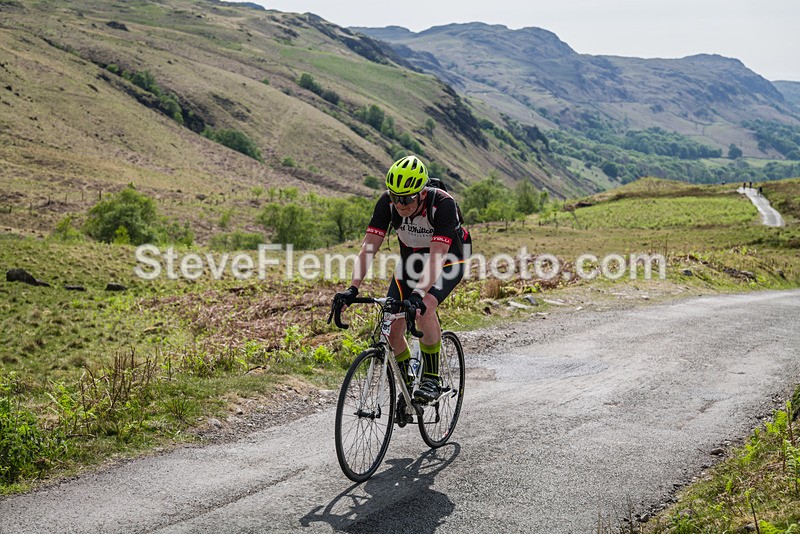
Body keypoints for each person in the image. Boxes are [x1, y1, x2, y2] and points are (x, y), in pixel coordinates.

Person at [334, 155, 471, 403]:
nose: (400, 204)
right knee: (391, 327)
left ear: (421, 193)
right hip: (411, 262)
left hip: (449, 260)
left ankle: (431, 378)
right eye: (395, 197)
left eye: (406, 198)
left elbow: (437, 257)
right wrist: (352, 289)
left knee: (424, 309)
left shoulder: (442, 204)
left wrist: (418, 296)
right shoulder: (387, 203)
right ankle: (407, 386)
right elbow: (368, 248)